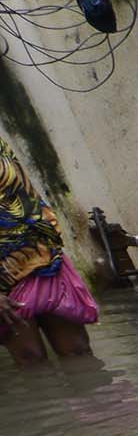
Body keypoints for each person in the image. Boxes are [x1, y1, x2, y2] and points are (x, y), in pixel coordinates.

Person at [0, 139, 99, 367]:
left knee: (77, 351)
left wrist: (51, 245)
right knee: (31, 359)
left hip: (42, 258)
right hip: (4, 280)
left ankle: (102, 400)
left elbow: (26, 197)